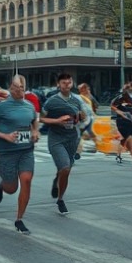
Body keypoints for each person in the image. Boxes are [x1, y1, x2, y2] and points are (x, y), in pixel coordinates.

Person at [0, 74, 40, 234]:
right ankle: (1, 182)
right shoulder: (2, 107)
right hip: (7, 152)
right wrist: (4, 136)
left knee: (26, 180)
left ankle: (19, 219)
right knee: (11, 188)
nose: (19, 90)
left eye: (22, 87)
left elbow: (34, 120)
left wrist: (35, 131)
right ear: (10, 88)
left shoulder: (29, 105)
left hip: (26, 150)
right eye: (16, 87)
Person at [40, 73, 91, 215]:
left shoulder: (77, 100)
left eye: (69, 82)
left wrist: (80, 119)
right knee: (66, 168)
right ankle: (61, 200)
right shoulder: (52, 101)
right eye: (64, 83)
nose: (67, 85)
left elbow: (84, 117)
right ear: (58, 84)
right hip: (56, 139)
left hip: (72, 139)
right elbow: (41, 119)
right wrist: (57, 121)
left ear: (72, 83)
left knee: (65, 169)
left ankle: (58, 182)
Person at [110, 92, 132, 168]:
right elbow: (112, 105)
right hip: (123, 124)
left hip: (130, 124)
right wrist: (120, 112)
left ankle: (118, 156)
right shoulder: (119, 104)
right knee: (131, 143)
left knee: (123, 141)